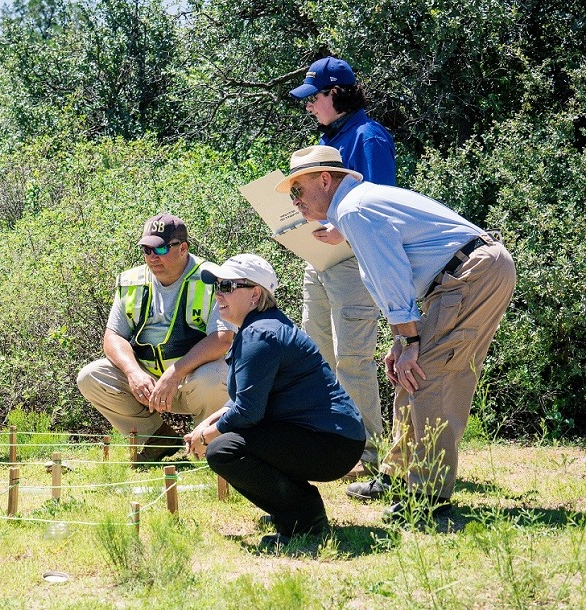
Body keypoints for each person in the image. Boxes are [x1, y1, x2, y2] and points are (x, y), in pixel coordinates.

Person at [278, 145, 516, 522]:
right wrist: (404, 341)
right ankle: (398, 476)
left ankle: (429, 498)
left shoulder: (354, 211)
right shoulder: (355, 206)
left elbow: (390, 276)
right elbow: (394, 278)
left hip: (470, 274)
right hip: (459, 275)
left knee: (430, 376)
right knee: (410, 372)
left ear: (325, 180)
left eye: (297, 190)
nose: (295, 201)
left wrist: (411, 340)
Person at [184, 254, 364, 545]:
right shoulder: (260, 328)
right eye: (217, 286)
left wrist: (206, 437)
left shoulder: (260, 334)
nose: (218, 294)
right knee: (229, 442)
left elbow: (248, 412)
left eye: (228, 286)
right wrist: (205, 423)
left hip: (330, 443)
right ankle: (298, 508)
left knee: (223, 450)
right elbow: (244, 399)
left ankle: (303, 519)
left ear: (255, 294)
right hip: (335, 439)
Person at [289, 56, 397, 474]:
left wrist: (344, 233)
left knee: (353, 358)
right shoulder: (326, 140)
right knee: (316, 353)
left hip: (353, 262)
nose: (309, 106)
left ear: (334, 93)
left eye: (313, 97)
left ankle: (366, 454)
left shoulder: (368, 137)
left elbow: (384, 208)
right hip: (318, 261)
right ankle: (331, 444)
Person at [77, 213, 232, 464]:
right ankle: (158, 439)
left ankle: (208, 444)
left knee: (215, 377)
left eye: (160, 248)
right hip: (149, 383)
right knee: (91, 376)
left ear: (183, 248)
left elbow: (222, 339)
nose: (152, 256)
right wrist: (133, 373)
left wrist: (175, 373)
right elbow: (113, 336)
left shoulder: (211, 278)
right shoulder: (131, 281)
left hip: (191, 381)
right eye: (146, 249)